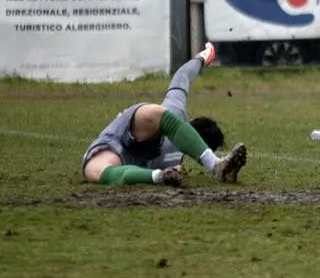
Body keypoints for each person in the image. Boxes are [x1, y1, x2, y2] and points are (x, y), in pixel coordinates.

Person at [82, 42, 247, 187]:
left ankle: (160, 176)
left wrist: (202, 58)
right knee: (157, 114)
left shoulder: (176, 113)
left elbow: (182, 76)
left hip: (118, 144)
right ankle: (211, 165)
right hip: (130, 136)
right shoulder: (175, 130)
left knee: (98, 171)